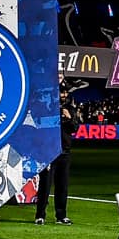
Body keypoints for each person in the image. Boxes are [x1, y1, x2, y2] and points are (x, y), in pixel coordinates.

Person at [35, 81, 81, 225]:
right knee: (45, 185)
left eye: (66, 92)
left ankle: (61, 216)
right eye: (62, 92)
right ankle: (40, 215)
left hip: (64, 153)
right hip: (48, 152)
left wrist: (68, 118)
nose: (64, 95)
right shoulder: (47, 108)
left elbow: (74, 129)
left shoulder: (70, 109)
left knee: (63, 186)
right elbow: (41, 126)